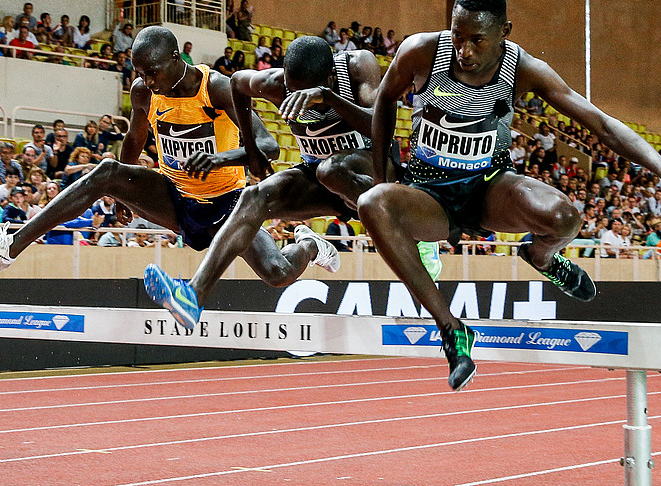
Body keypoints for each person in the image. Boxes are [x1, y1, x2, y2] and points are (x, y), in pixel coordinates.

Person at [356, 0, 661, 391]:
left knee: (566, 217)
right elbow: (385, 102)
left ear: (505, 32)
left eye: (477, 40)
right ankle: (452, 330)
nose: (464, 50)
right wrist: (383, 176)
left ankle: (543, 256)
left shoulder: (525, 69)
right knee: (373, 201)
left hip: (487, 187)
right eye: (458, 36)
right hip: (428, 194)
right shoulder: (422, 51)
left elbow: (602, 124)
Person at [0, 25, 306, 293]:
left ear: (176, 58)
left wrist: (219, 159)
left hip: (229, 203)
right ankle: (9, 246)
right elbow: (134, 138)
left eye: (153, 71)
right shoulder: (144, 92)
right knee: (107, 171)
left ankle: (309, 245)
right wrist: (119, 193)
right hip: (175, 197)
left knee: (278, 274)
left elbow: (268, 147)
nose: (147, 81)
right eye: (140, 72)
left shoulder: (215, 87)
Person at [144, 36, 442, 332]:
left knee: (331, 169)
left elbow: (382, 125)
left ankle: (414, 233)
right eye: (290, 88)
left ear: (327, 78)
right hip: (318, 178)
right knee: (254, 197)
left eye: (303, 93)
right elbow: (237, 83)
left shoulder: (357, 66)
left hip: (374, 176)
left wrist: (328, 98)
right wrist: (252, 150)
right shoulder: (276, 83)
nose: (294, 97)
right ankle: (193, 295)